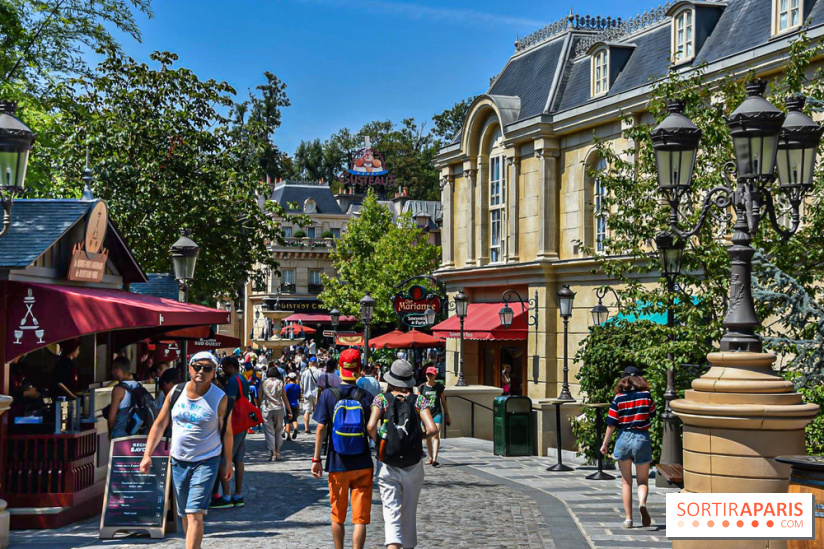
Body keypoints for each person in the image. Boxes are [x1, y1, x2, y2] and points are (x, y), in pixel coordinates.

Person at [140, 352, 232, 549]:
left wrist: (228, 461)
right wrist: (147, 454)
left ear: (214, 372)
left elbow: (227, 433)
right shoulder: (175, 392)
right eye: (197, 367)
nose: (201, 372)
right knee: (184, 514)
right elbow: (159, 424)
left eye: (207, 368)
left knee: (194, 512)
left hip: (207, 460)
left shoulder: (220, 398)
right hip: (178, 460)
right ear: (189, 368)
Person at [367, 359, 438, 549]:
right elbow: (432, 429)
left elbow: (371, 426)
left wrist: (379, 441)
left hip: (388, 462)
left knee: (391, 512)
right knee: (409, 511)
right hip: (413, 463)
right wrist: (418, 437)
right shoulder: (419, 400)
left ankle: (393, 545)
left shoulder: (381, 399)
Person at [311, 349, 374, 549]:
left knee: (337, 516)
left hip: (337, 462)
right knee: (360, 519)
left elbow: (321, 427)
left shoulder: (329, 395)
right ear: (359, 370)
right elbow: (372, 428)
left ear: (340, 369)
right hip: (363, 461)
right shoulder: (366, 396)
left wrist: (316, 459)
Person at [600, 366, 656, 529]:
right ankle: (642, 503)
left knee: (626, 482)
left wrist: (605, 444)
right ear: (640, 378)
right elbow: (651, 413)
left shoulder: (618, 398)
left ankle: (628, 519)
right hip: (642, 437)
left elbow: (611, 423)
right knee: (643, 481)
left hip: (623, 437)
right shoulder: (646, 396)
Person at [211, 356, 250, 509]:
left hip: (233, 423)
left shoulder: (233, 380)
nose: (223, 369)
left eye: (224, 366)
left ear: (230, 366)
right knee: (239, 459)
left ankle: (226, 496)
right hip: (243, 423)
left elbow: (230, 400)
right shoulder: (242, 379)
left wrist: (224, 419)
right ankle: (238, 494)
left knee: (224, 459)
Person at [417, 366, 450, 467]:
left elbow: (443, 401)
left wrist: (447, 414)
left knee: (435, 435)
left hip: (437, 413)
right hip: (425, 414)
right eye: (428, 374)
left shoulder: (439, 387)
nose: (429, 376)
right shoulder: (422, 387)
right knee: (428, 437)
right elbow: (418, 403)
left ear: (435, 375)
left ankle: (435, 458)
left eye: (431, 374)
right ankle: (430, 457)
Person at [261, 366, 292, 461]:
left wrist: (258, 406)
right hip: (278, 408)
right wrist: (289, 410)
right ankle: (278, 452)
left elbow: (259, 396)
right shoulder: (280, 383)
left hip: (267, 408)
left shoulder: (263, 383)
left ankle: (272, 453)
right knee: (278, 430)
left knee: (269, 432)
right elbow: (284, 398)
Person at [107, 356, 141, 439]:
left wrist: (111, 433)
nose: (111, 372)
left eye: (112, 369)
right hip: (135, 433)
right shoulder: (138, 385)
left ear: (118, 370)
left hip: (120, 435)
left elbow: (112, 417)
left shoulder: (118, 389)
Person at [300, 356, 321, 434]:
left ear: (310, 363)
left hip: (307, 394)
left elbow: (301, 384)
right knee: (319, 411)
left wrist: (302, 392)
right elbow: (322, 384)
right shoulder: (319, 372)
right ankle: (319, 427)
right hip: (317, 394)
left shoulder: (305, 372)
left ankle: (306, 428)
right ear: (315, 363)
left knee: (307, 411)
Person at [284, 372, 302, 440]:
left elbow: (284, 395)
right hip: (295, 404)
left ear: (289, 378)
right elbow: (300, 396)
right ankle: (295, 428)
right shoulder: (297, 386)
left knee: (287, 420)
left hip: (288, 404)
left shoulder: (287, 386)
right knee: (294, 419)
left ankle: (288, 436)